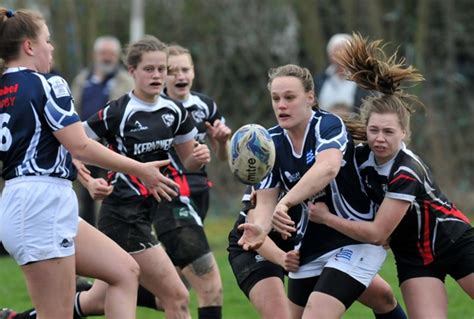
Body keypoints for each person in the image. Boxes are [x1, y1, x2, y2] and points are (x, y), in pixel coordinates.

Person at [0, 8, 178, 319]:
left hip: (33, 199)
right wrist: (141, 170)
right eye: (48, 40)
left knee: (124, 271)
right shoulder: (46, 84)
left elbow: (39, 141)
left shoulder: (5, 88)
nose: (51, 47)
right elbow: (80, 144)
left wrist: (67, 163)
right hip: (40, 205)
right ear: (29, 46)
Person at [308, 33, 474, 319]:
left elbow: (377, 234)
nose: (380, 138)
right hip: (414, 257)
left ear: (405, 133)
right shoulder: (361, 158)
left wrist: (325, 218)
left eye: (388, 132)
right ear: (366, 129)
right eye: (374, 131)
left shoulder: (407, 169)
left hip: (455, 243)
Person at [237, 64, 405, 318]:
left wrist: (286, 203)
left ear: (310, 98)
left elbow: (327, 168)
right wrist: (261, 227)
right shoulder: (270, 143)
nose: (281, 105)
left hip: (354, 235)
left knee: (317, 313)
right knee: (382, 298)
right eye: (275, 98)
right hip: (312, 243)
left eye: (289, 97)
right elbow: (266, 201)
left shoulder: (328, 125)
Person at [78, 35, 213, 319]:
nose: (156, 75)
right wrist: (89, 182)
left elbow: (187, 160)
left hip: (149, 213)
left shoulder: (175, 112)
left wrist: (198, 158)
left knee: (96, 301)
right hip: (122, 216)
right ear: (132, 71)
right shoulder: (118, 112)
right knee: (176, 296)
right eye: (149, 69)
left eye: (161, 69)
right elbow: (73, 146)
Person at [149, 44, 231, 319]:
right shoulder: (153, 109)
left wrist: (222, 142)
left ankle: (81, 297)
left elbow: (222, 157)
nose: (179, 75)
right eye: (171, 71)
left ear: (193, 72)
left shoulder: (205, 105)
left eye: (185, 69)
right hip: (171, 201)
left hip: (198, 198)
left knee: (170, 295)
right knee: (210, 288)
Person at [71, 35, 134, 226]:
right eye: (103, 53)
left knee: (112, 191)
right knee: (85, 193)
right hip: (83, 144)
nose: (107, 57)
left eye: (111, 54)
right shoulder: (82, 79)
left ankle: (112, 231)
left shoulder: (126, 81)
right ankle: (86, 231)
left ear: (117, 56)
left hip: (110, 146)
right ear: (95, 55)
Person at [314, 33, 370, 113]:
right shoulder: (319, 80)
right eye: (336, 51)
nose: (340, 55)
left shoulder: (363, 81)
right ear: (329, 55)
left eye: (344, 51)